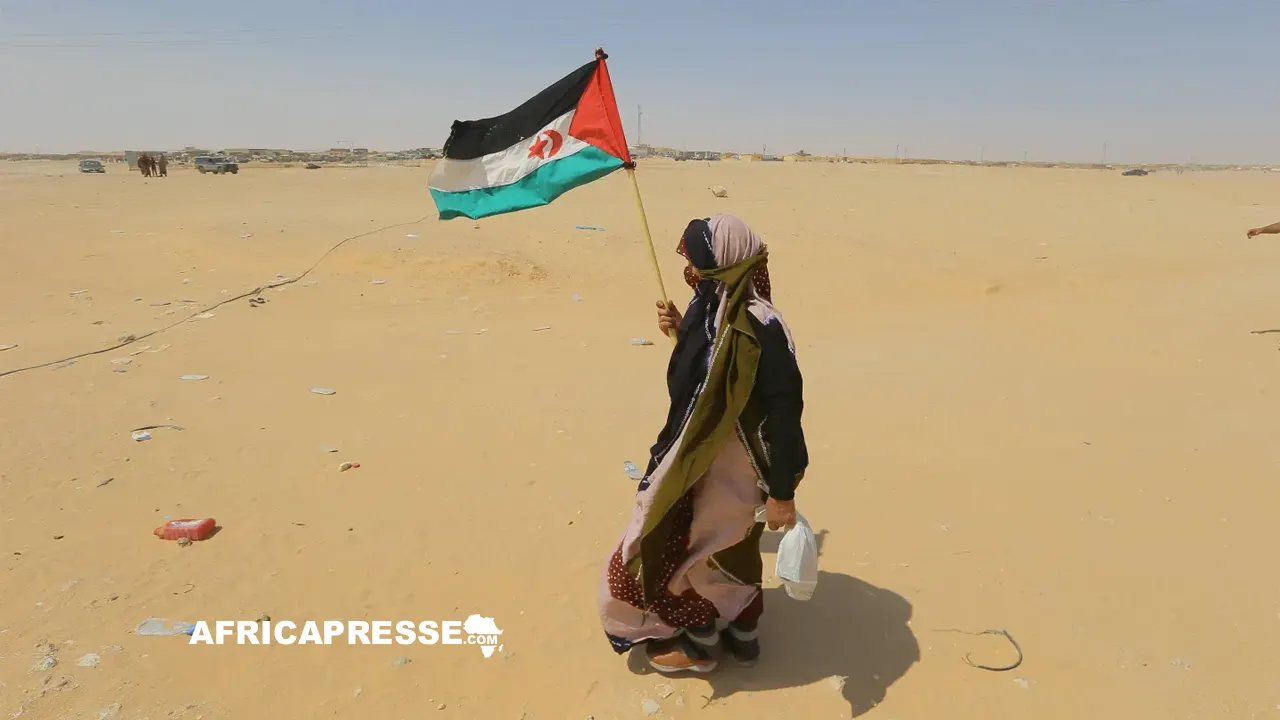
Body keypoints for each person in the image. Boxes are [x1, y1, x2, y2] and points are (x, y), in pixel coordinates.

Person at [598, 214, 808, 673]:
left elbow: (784, 414)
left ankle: (701, 646)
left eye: (698, 264)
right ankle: (743, 638)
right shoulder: (712, 305)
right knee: (721, 549)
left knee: (695, 550)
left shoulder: (760, 329)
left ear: (726, 266)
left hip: (733, 468)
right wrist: (681, 330)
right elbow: (706, 374)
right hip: (698, 457)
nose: (691, 271)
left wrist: (782, 494)